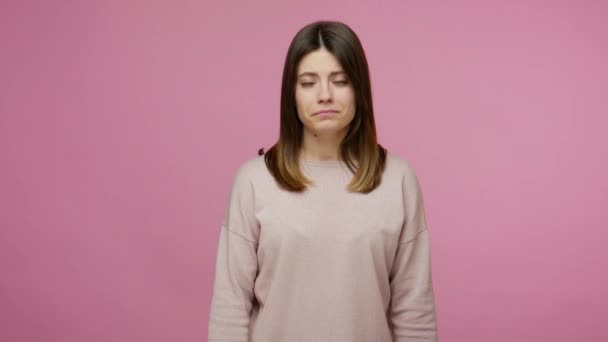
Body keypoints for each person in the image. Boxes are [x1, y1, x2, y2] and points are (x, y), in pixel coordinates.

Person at [207, 20, 439, 342]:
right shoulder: (253, 182)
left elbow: (414, 314)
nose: (325, 95)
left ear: (359, 89)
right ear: (292, 92)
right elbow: (230, 311)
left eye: (340, 81)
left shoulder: (398, 180)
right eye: (308, 82)